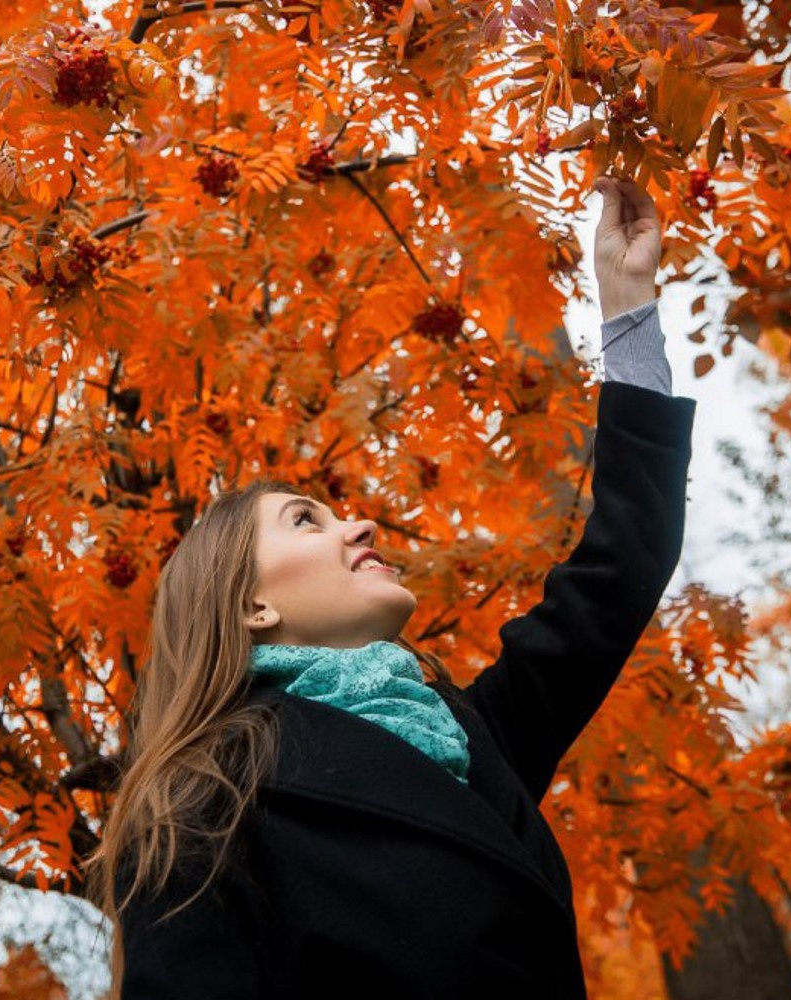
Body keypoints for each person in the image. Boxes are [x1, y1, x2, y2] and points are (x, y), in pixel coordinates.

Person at [83, 176, 696, 998]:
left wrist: (627, 309)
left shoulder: (472, 735)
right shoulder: (203, 800)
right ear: (251, 607)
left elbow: (622, 565)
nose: (360, 527)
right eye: (307, 521)